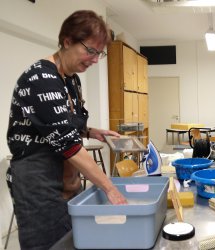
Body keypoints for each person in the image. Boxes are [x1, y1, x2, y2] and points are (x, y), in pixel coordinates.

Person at [6, 10, 127, 249]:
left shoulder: (71, 79)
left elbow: (65, 122)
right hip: (37, 179)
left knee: (72, 240)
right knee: (49, 243)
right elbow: (69, 146)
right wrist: (109, 187)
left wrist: (93, 131)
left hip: (64, 175)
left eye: (99, 54)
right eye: (90, 51)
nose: (94, 60)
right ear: (67, 41)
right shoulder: (41, 78)